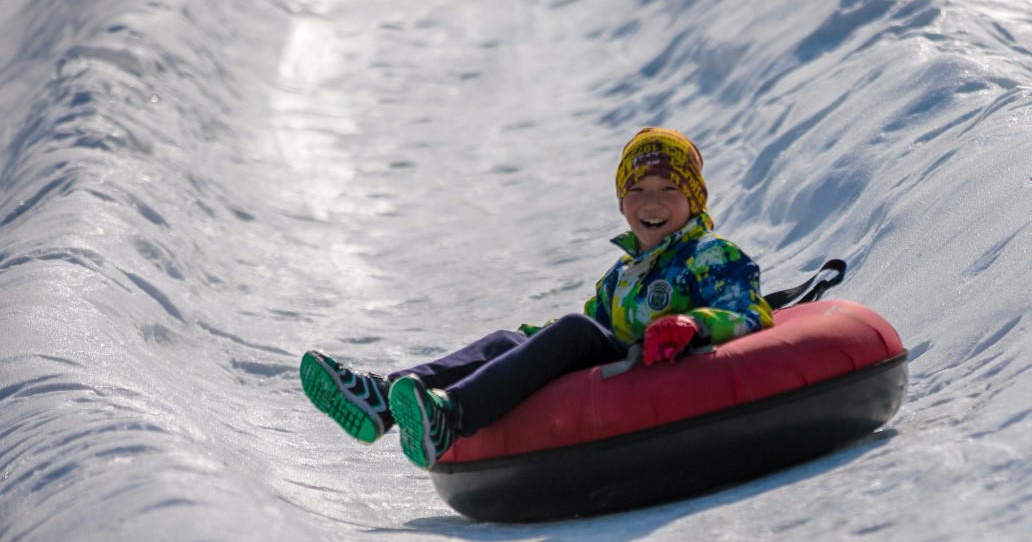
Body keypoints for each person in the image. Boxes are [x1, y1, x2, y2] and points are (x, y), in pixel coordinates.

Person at [299, 127, 773, 468]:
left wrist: (694, 324)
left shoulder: (710, 254)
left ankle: (453, 415)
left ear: (695, 199)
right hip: (618, 359)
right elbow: (595, 326)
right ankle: (382, 399)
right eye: (638, 191)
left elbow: (750, 311)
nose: (652, 203)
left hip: (658, 363)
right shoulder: (624, 274)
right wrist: (530, 340)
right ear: (621, 202)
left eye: (669, 189)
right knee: (511, 339)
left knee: (572, 330)